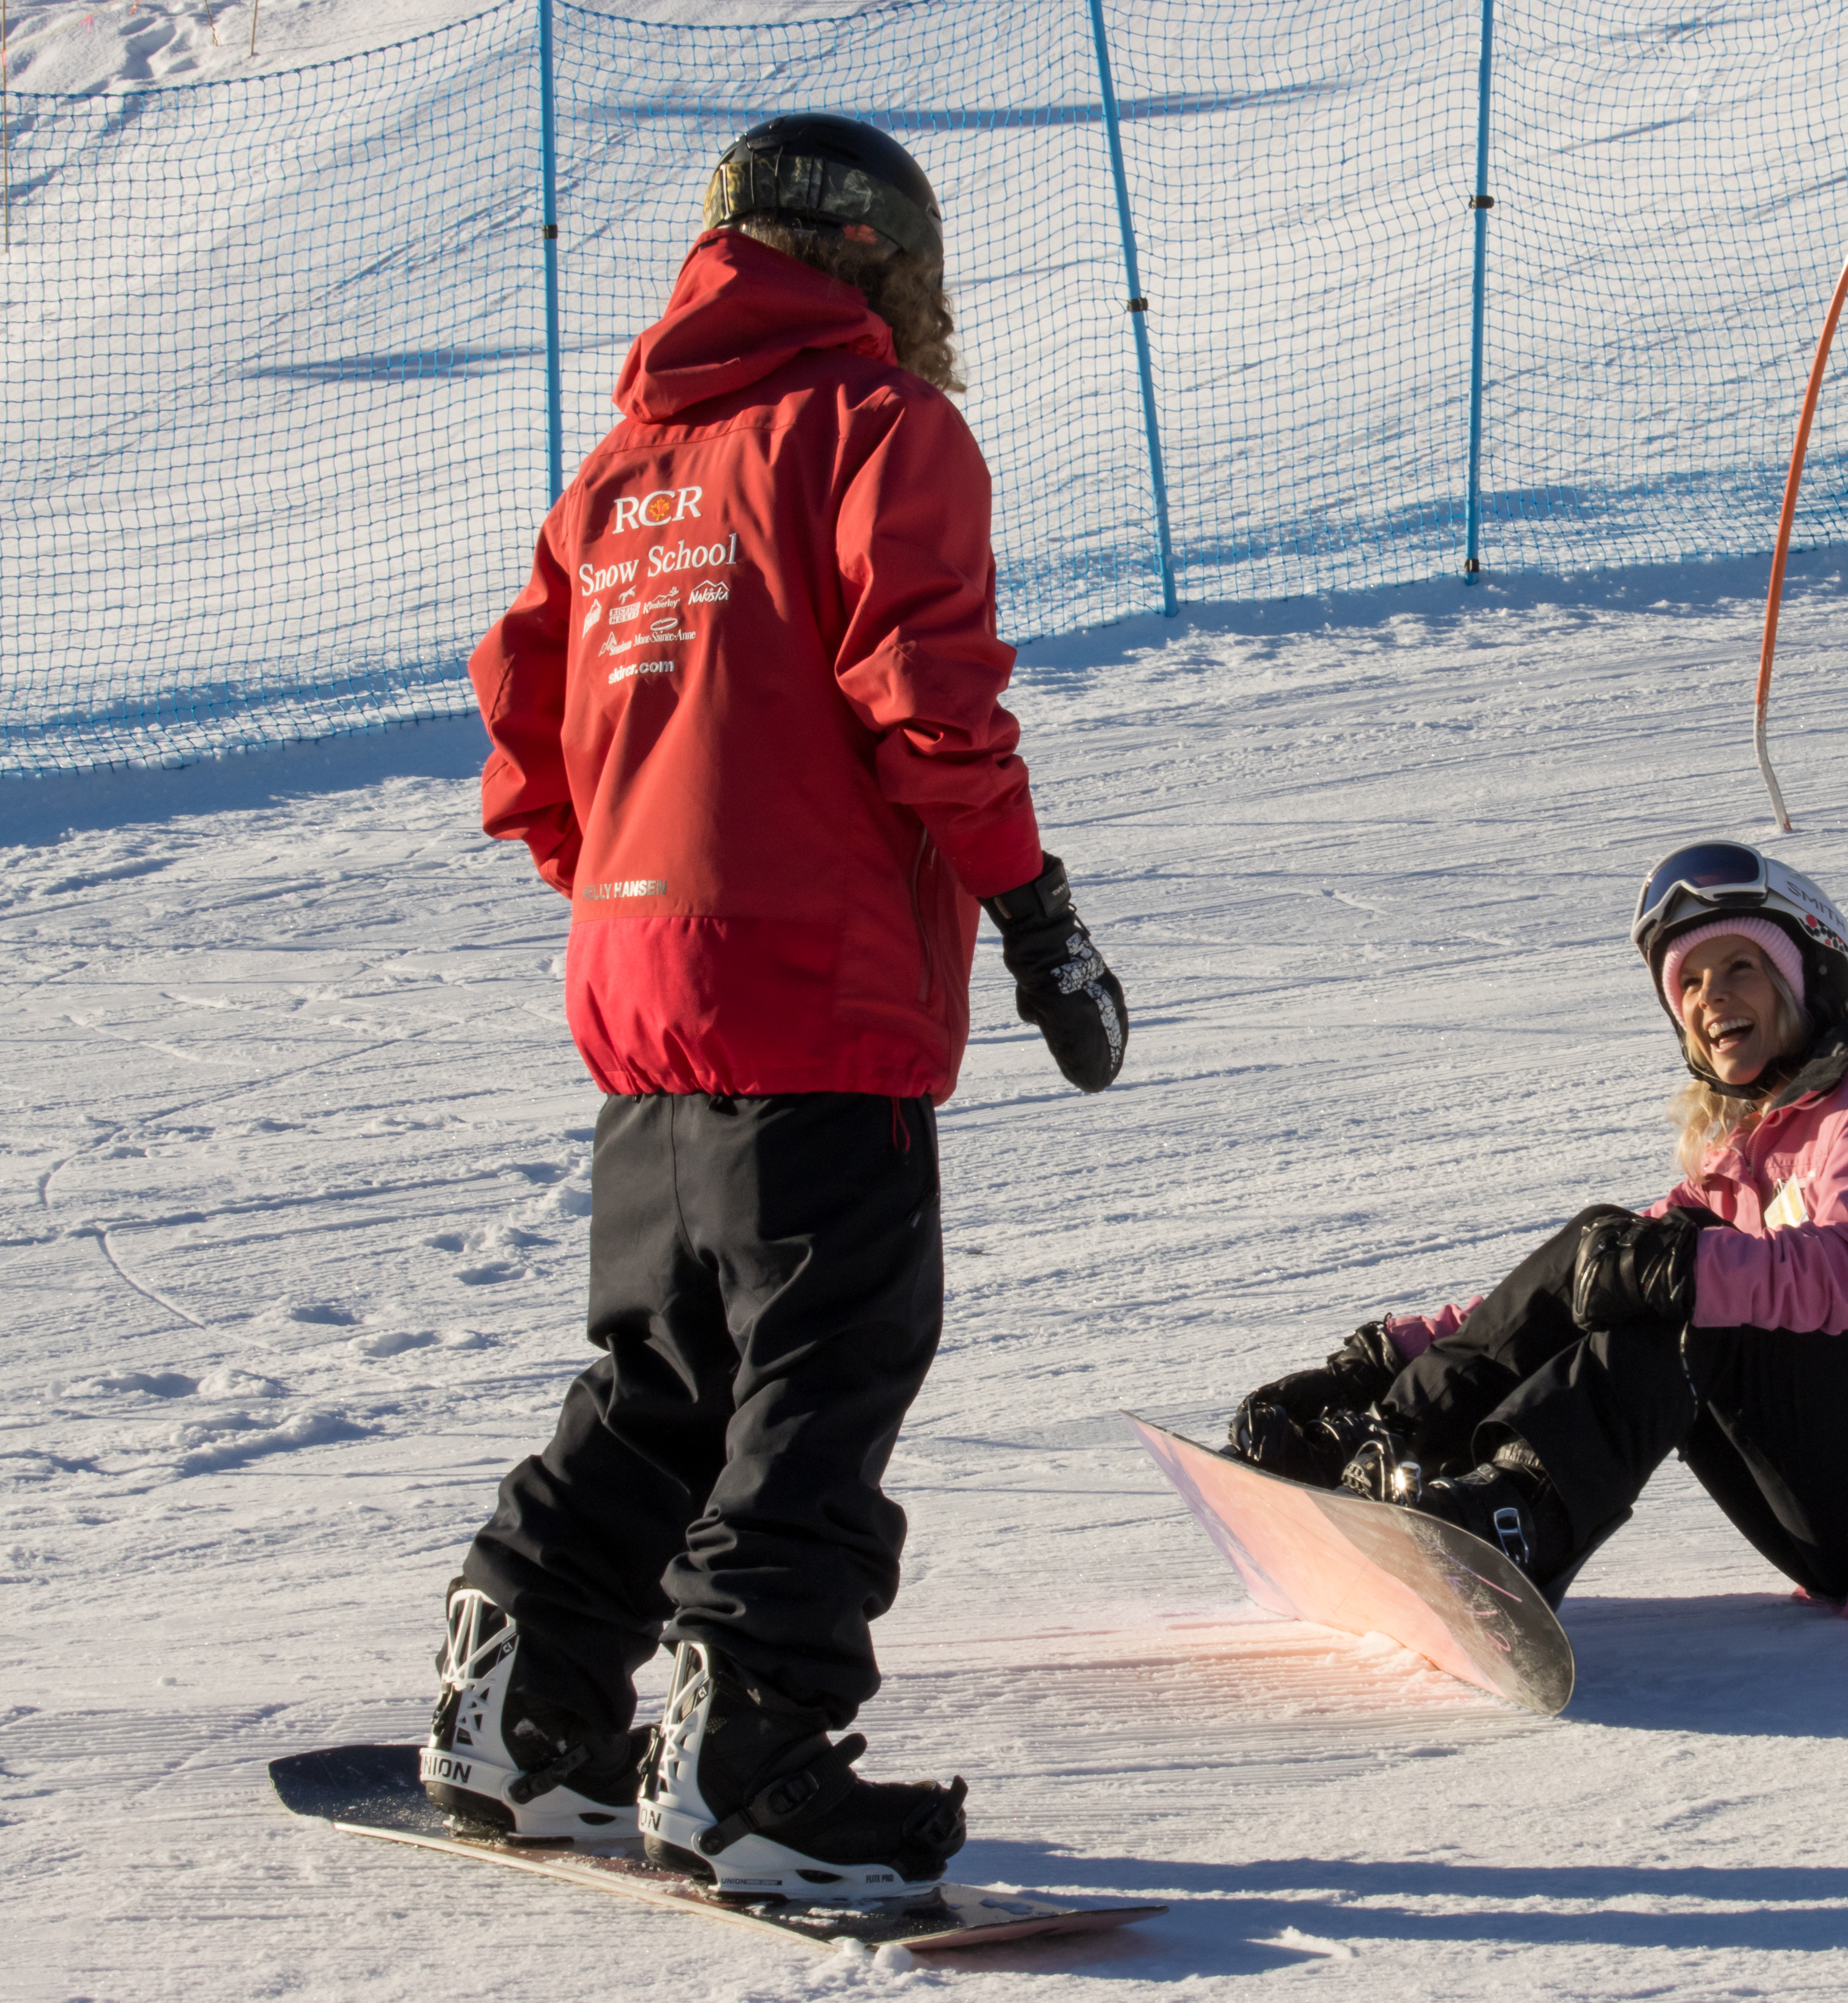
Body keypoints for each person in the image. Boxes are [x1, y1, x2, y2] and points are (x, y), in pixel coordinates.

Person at [422, 115, 1129, 1902]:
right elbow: (931, 711)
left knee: (668, 1367)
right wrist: (1040, 920)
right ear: (882, 257)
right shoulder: (878, 430)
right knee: (820, 1376)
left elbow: (527, 754)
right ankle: (753, 1754)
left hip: (640, 985)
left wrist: (651, 896)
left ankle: (525, 1692)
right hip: (811, 989)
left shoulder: (618, 477)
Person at [1229, 841, 1848, 1616]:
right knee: (1610, 1250)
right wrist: (1377, 1361)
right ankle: (1390, 1437)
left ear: (1805, 978)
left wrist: (1676, 1270)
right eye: (1688, 983)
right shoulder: (1745, 1159)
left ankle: (1518, 1519)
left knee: (1689, 1305)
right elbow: (1561, 1292)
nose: (1711, 997)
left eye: (1739, 968)